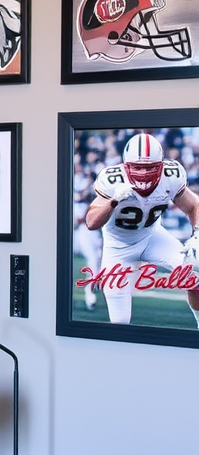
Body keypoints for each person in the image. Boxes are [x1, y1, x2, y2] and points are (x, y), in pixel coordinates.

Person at [83, 133, 199, 328]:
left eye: (151, 167)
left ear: (161, 165)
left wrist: (197, 233)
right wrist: (114, 201)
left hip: (153, 237)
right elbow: (91, 222)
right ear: (126, 166)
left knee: (195, 275)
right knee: (119, 323)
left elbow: (193, 206)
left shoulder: (171, 175)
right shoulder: (113, 180)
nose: (144, 173)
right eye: (138, 167)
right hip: (118, 248)